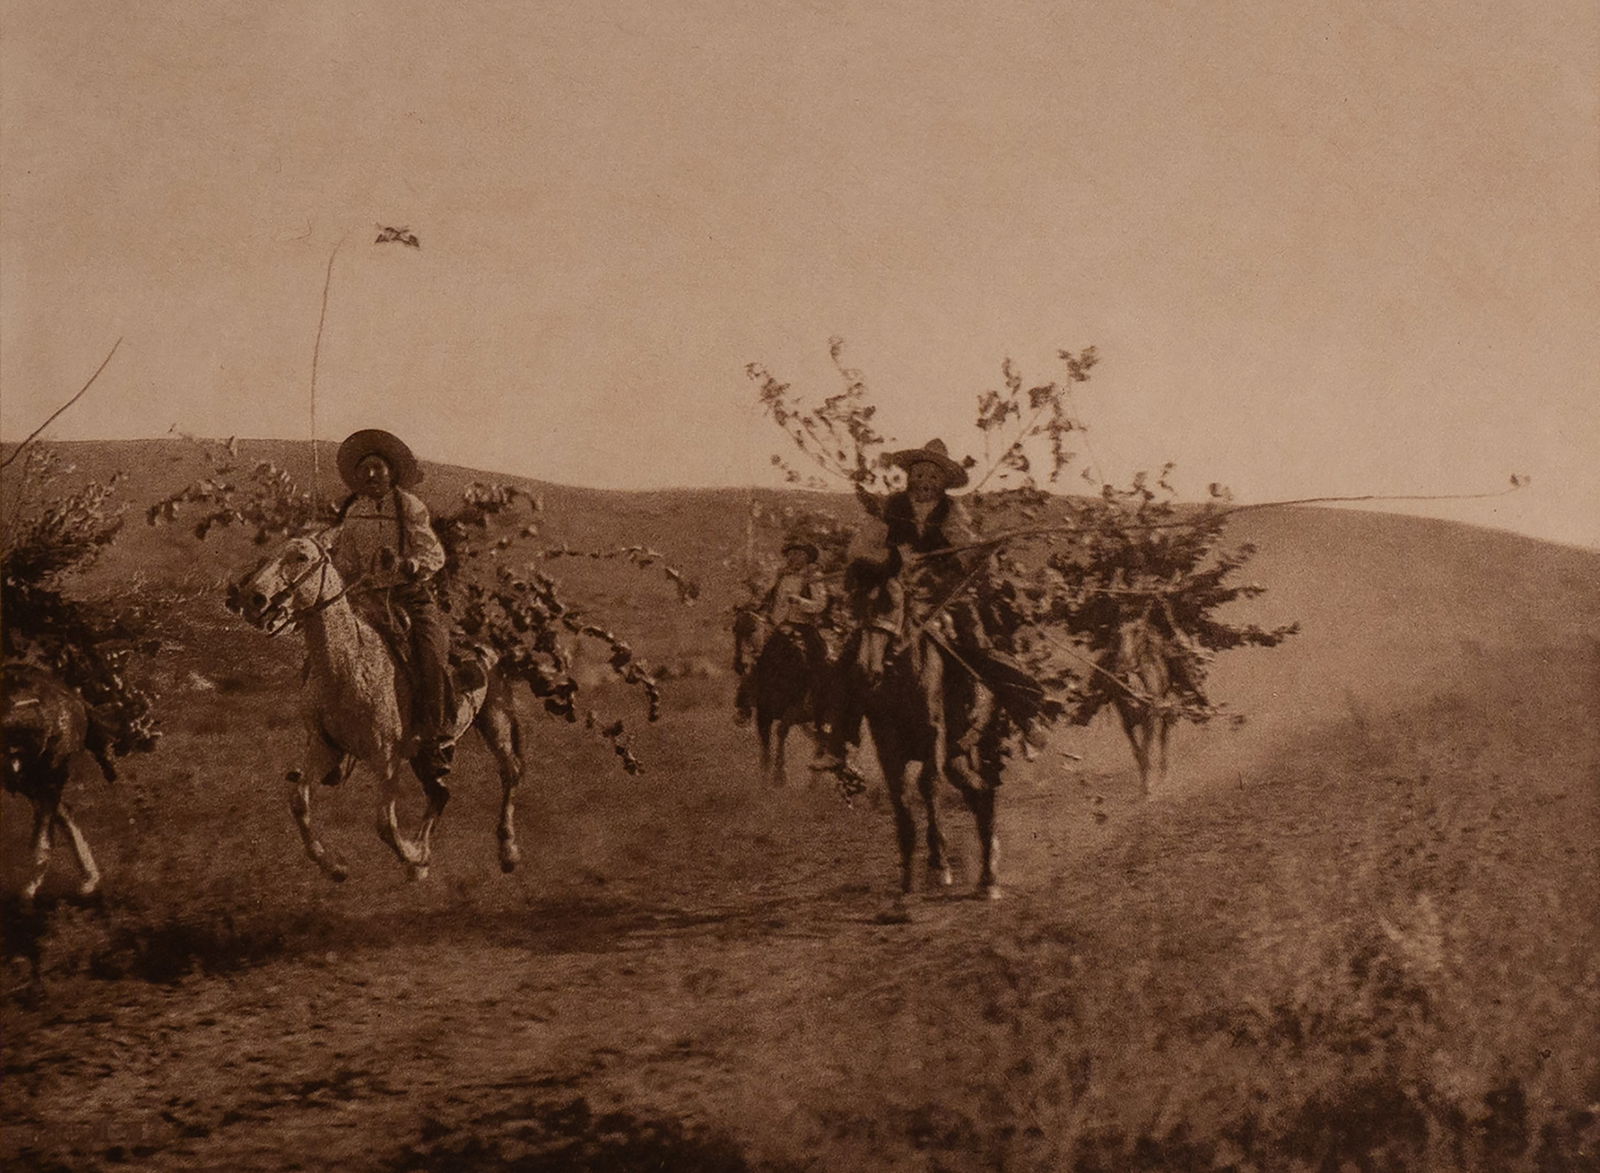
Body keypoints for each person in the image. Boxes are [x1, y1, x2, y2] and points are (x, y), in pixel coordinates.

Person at [814, 438, 1048, 774]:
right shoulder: (890, 507)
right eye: (919, 474)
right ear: (909, 476)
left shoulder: (952, 511)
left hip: (943, 596)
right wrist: (892, 559)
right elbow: (861, 548)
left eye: (932, 477)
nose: (925, 482)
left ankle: (1025, 716)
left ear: (942, 483)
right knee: (850, 658)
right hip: (894, 593)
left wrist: (981, 551)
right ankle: (837, 743)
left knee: (977, 649)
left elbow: (965, 550)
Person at [326, 428, 456, 776]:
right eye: (364, 469)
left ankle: (435, 738)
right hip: (366, 599)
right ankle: (332, 741)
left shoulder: (409, 506)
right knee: (329, 654)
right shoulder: (354, 512)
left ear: (391, 472)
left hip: (409, 596)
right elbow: (346, 561)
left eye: (377, 468)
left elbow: (432, 553)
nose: (370, 475)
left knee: (430, 653)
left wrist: (412, 565)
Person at [734, 539, 830, 726]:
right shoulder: (780, 576)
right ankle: (744, 705)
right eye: (791, 553)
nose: (793, 557)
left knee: (819, 660)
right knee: (759, 661)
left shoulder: (813, 577)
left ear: (807, 557)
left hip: (804, 628)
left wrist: (800, 601)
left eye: (799, 554)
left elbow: (821, 604)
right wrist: (751, 604)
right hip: (779, 627)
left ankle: (820, 706)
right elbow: (764, 597)